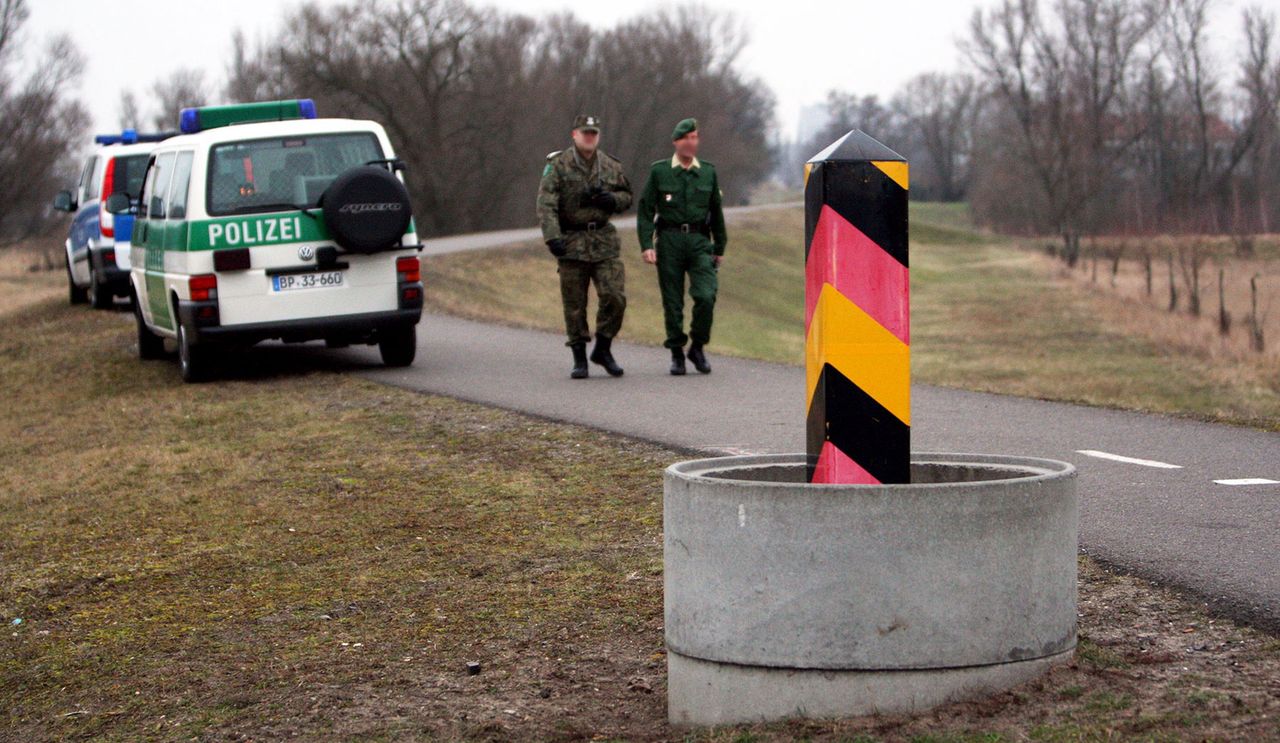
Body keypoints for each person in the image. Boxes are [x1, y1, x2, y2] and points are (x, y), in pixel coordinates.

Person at [536, 114, 633, 378]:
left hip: (603, 240)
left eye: (593, 133)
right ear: (574, 135)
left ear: (598, 136)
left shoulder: (610, 165)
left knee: (615, 296)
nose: (589, 137)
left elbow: (627, 196)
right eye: (584, 132)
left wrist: (610, 200)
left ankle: (603, 347)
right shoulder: (558, 165)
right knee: (574, 303)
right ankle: (579, 357)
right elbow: (546, 203)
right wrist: (552, 236)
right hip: (572, 241)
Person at [636, 117, 726, 375]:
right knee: (672, 301)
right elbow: (645, 211)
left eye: (695, 137)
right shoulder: (660, 171)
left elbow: (716, 212)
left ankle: (697, 346)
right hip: (669, 241)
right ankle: (677, 352)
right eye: (686, 138)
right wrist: (646, 244)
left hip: (699, 241)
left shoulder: (708, 172)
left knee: (706, 295)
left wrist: (719, 247)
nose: (691, 142)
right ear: (676, 142)